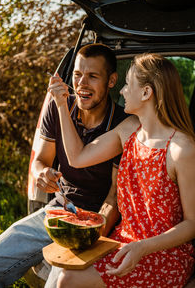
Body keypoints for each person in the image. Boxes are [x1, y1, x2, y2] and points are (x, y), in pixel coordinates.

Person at [48, 53, 195, 288]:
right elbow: (77, 158)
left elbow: (192, 223)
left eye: (128, 84)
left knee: (68, 280)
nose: (123, 91)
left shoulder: (181, 148)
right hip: (123, 242)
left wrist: (142, 247)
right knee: (64, 276)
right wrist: (61, 105)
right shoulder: (128, 130)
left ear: (146, 93)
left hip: (163, 254)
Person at [0, 43, 128, 287]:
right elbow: (40, 160)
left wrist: (92, 234)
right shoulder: (58, 108)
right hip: (58, 209)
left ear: (111, 81)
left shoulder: (123, 124)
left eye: (93, 76)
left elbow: (114, 198)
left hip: (101, 222)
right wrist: (41, 174)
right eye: (77, 75)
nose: (82, 84)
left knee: (58, 281)